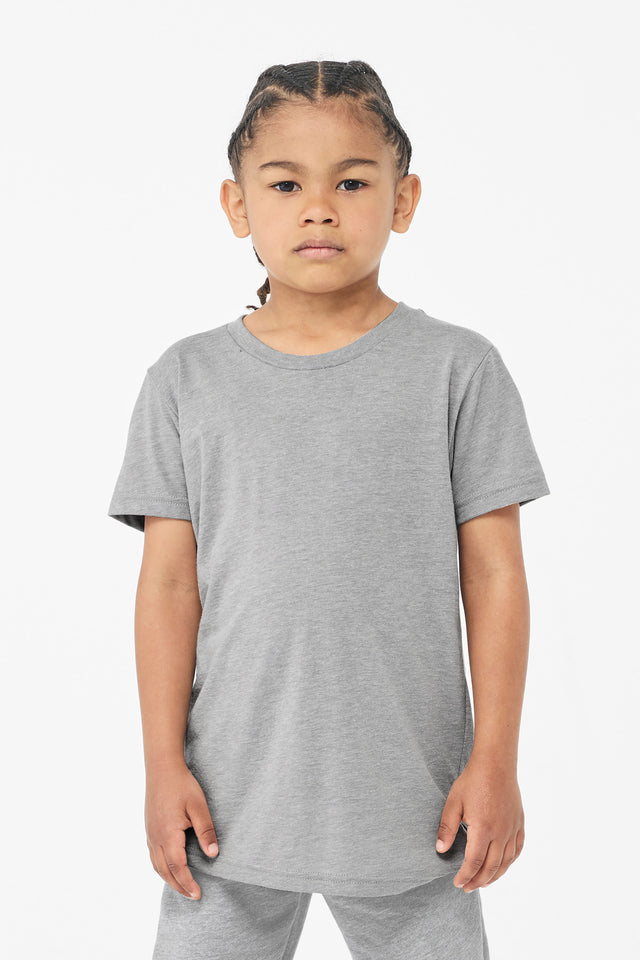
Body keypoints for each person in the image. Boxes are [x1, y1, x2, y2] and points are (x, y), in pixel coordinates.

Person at [107, 59, 550, 960]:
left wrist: (495, 761)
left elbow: (495, 576)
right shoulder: (185, 380)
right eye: (285, 184)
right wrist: (161, 767)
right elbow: (169, 588)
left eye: (351, 182)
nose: (319, 208)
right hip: (226, 811)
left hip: (417, 809)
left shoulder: (458, 370)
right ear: (237, 206)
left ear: (403, 199)